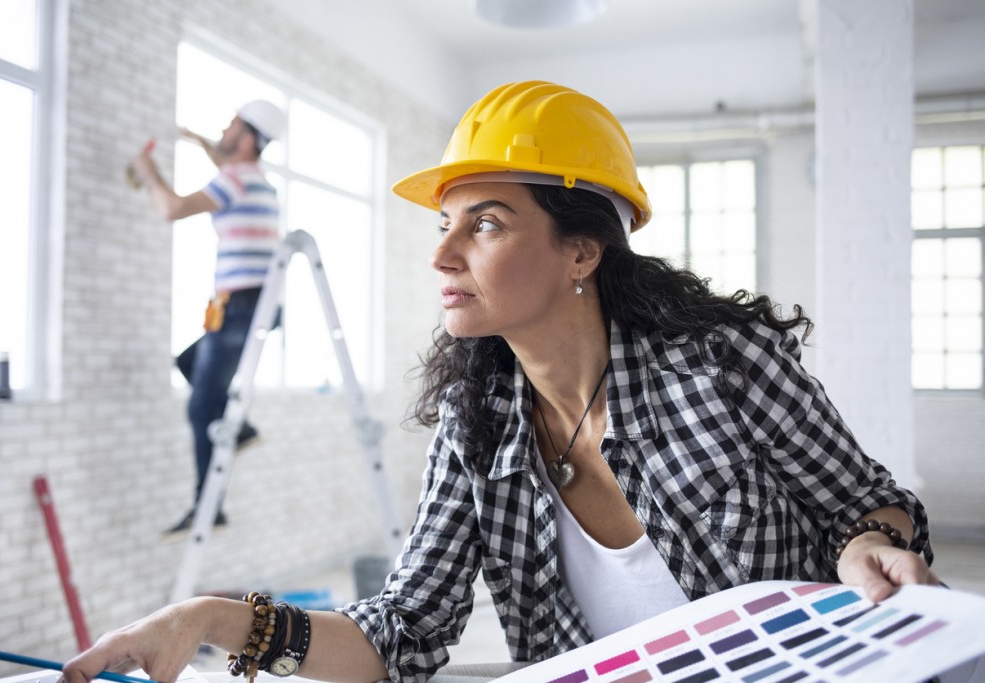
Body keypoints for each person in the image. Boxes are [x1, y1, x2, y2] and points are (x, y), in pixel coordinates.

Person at [64, 81, 939, 683]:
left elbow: (865, 502)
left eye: (484, 224)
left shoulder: (722, 362)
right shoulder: (476, 421)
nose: (442, 253)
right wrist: (216, 619)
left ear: (581, 252)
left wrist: (867, 541)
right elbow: (403, 632)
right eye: (444, 223)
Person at [130, 100, 285, 536]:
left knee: (201, 407)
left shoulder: (234, 179)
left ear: (248, 139)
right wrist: (199, 141)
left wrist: (148, 171)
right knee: (188, 364)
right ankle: (241, 428)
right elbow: (224, 159)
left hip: (240, 306)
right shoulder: (255, 180)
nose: (223, 128)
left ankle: (208, 507)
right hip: (250, 305)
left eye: (232, 125)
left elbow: (172, 209)